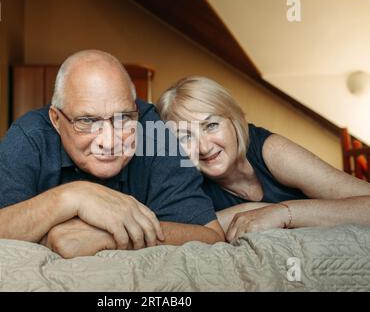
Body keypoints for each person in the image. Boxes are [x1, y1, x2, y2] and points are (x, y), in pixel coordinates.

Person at [0, 51, 225, 259]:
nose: (109, 141)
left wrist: (108, 237)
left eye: (123, 118)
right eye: (87, 121)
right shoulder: (30, 136)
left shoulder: (153, 130)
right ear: (56, 120)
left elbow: (212, 237)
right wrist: (70, 198)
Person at [157, 76, 370, 242]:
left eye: (211, 125)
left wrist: (283, 213)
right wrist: (246, 212)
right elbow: (185, 232)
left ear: (234, 120)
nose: (203, 147)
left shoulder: (271, 150)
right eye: (185, 136)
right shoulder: (183, 182)